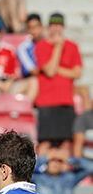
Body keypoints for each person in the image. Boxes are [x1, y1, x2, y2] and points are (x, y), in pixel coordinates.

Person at [34, 13, 82, 146]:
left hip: (66, 101)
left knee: (66, 143)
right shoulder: (41, 46)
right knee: (45, 143)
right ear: (48, 27)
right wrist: (58, 47)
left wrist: (57, 69)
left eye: (59, 25)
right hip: (47, 102)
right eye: (53, 25)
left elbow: (77, 73)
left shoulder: (73, 46)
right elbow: (49, 71)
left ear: (63, 27)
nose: (56, 29)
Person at [15, 13, 42, 100]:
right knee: (34, 81)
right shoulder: (23, 48)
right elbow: (33, 71)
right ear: (28, 30)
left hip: (44, 80)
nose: (34, 31)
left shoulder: (48, 44)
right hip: (28, 81)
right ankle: (27, 110)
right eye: (31, 28)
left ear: (41, 27)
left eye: (36, 27)